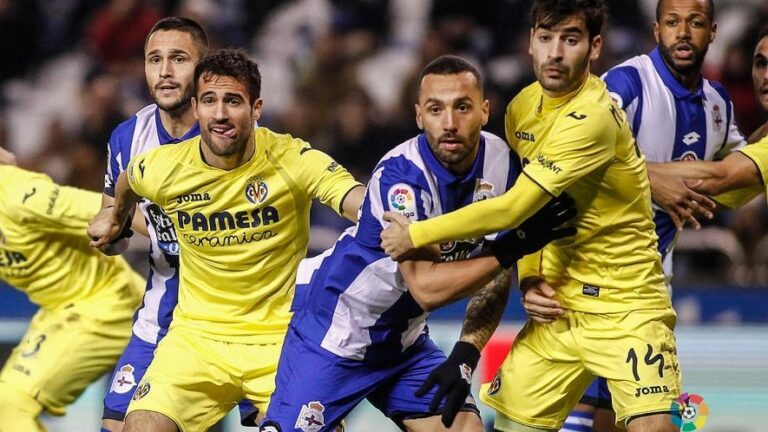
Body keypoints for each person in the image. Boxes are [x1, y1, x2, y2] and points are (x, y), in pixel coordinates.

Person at [380, 1, 681, 431]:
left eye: (570, 40)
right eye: (546, 38)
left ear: (595, 47)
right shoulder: (522, 108)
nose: (555, 53)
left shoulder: (592, 117)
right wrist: (532, 274)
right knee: (509, 425)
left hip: (626, 306)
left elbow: (514, 206)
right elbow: (530, 217)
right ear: (530, 44)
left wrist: (416, 233)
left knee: (653, 426)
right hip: (557, 307)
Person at [259, 55, 576, 432]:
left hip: (404, 344)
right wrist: (514, 247)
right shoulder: (401, 178)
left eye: (462, 107)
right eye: (435, 109)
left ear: (484, 110)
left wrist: (465, 354)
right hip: (335, 335)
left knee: (465, 429)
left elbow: (494, 272)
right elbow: (425, 287)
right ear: (418, 116)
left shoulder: (503, 165)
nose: (450, 123)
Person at [89, 48, 364, 432]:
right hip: (196, 339)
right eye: (209, 101)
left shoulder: (293, 157)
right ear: (196, 107)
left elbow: (357, 202)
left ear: (256, 108)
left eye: (233, 101)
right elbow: (128, 180)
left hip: (281, 340)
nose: (220, 114)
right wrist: (114, 215)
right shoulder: (164, 167)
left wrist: (399, 222)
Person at [521, 1, 746, 430]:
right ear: (656, 30)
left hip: (647, 296)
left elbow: (737, 169)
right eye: (673, 22)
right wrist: (649, 177)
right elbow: (567, 152)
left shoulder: (718, 103)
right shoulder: (628, 84)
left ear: (712, 32)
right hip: (584, 292)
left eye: (695, 23)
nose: (683, 33)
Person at [0, 146, 144, 432]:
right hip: (61, 310)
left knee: (10, 404)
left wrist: (184, 239)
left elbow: (112, 210)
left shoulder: (20, 196)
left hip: (105, 302)